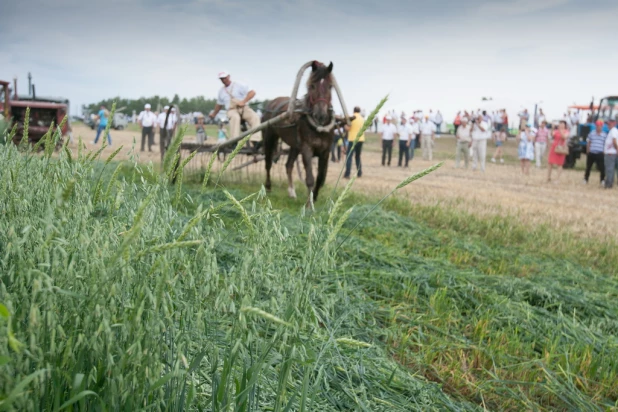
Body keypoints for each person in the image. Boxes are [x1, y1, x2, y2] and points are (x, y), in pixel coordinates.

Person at [209, 71, 261, 144]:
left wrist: (243, 101)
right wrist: (214, 114)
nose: (223, 80)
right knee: (235, 118)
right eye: (222, 79)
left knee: (255, 117)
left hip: (243, 108)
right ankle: (234, 141)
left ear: (228, 77)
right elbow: (219, 105)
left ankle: (256, 140)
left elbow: (252, 92)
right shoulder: (221, 91)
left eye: (224, 78)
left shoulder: (239, 85)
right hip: (232, 110)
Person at [344, 106, 365, 178]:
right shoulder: (362, 119)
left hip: (352, 139)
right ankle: (359, 173)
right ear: (359, 111)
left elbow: (348, 128)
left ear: (353, 111)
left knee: (349, 156)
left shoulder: (352, 118)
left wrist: (345, 126)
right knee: (358, 156)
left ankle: (347, 174)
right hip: (361, 139)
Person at [583, 119, 606, 185]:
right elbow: (589, 142)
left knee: (602, 168)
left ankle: (602, 180)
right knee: (588, 167)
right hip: (592, 153)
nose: (598, 127)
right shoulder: (591, 133)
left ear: (602, 126)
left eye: (599, 126)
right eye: (597, 126)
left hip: (600, 153)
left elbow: (605, 143)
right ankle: (585, 179)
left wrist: (604, 151)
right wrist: (588, 150)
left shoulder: (604, 135)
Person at [604, 118, 618, 189]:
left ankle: (609, 184)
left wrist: (617, 149)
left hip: (610, 153)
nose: (608, 125)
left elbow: (614, 141)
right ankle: (609, 183)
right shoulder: (613, 131)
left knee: (609, 169)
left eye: (609, 123)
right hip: (611, 152)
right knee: (611, 169)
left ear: (614, 123)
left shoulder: (613, 131)